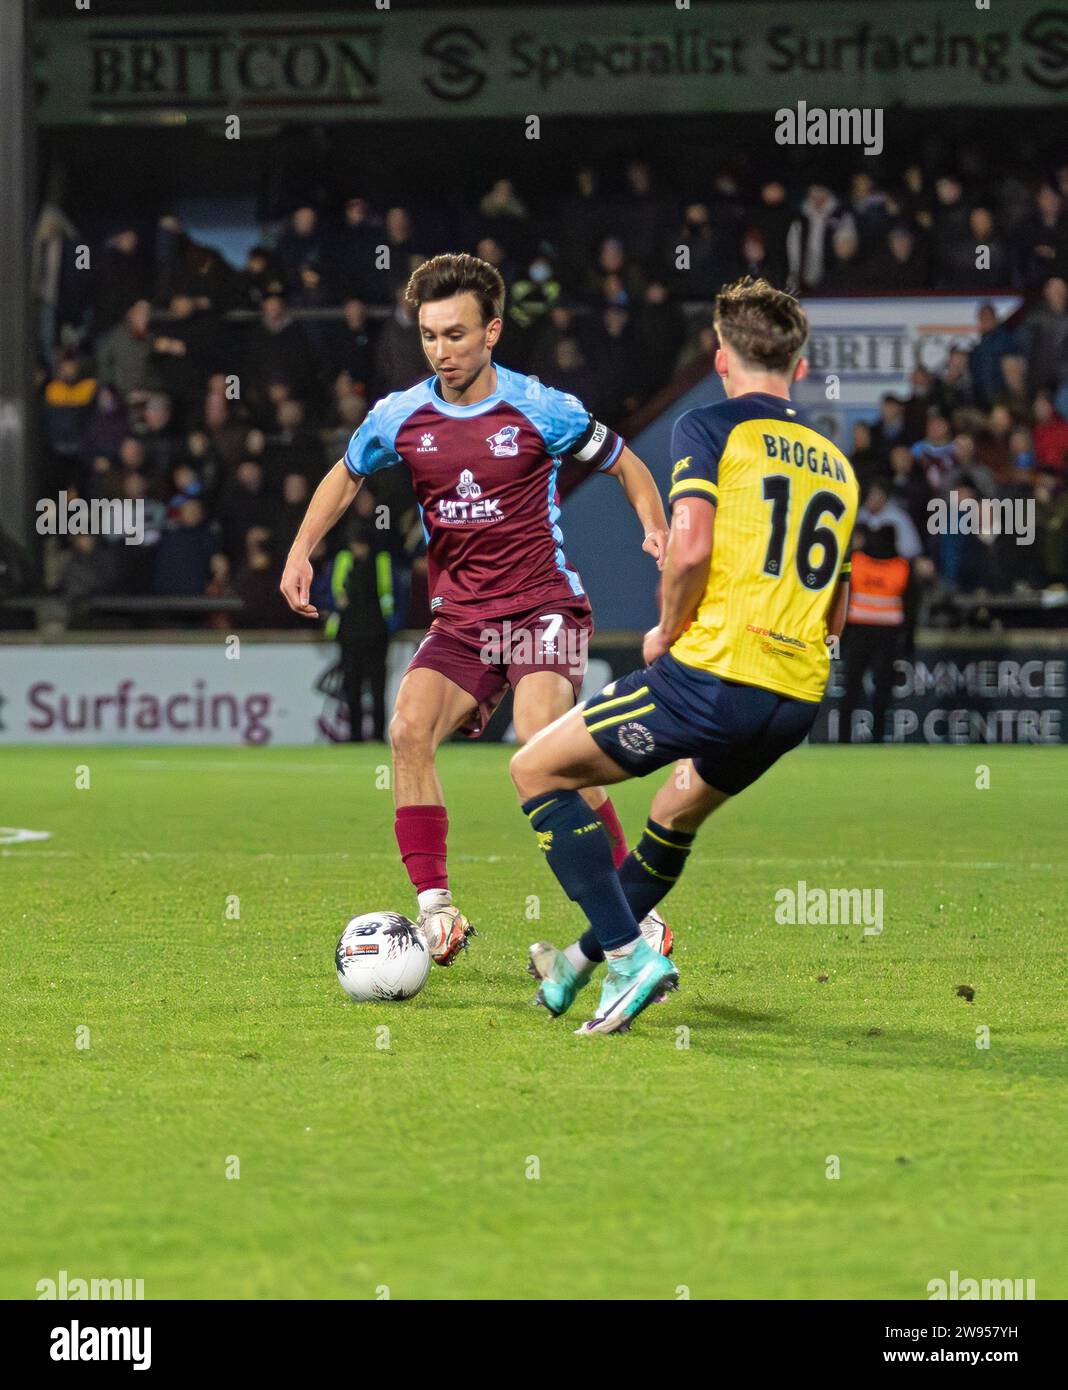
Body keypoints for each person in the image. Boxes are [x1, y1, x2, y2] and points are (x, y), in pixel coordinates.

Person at [280, 252, 669, 967]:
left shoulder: (539, 406)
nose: (441, 351)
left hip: (542, 605)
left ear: (491, 332)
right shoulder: (401, 415)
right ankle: (437, 915)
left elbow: (625, 460)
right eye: (429, 336)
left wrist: (655, 524)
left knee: (543, 739)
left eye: (455, 335)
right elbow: (345, 472)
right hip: (462, 620)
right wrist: (302, 549)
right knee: (406, 730)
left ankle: (635, 917)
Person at [508, 278, 859, 1036]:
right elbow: (838, 600)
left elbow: (690, 543)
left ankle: (632, 961)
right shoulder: (836, 463)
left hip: (715, 673)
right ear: (799, 368)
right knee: (673, 812)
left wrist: (668, 629)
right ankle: (576, 963)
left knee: (535, 769)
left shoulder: (709, 426)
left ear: (721, 356)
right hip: (796, 696)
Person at [838, 479, 927, 744]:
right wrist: (909, 641)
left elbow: (841, 600)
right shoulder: (902, 567)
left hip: (857, 631)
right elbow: (911, 609)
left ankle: (843, 738)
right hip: (887, 635)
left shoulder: (857, 560)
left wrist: (838, 637)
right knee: (882, 690)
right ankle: (876, 738)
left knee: (851, 689)